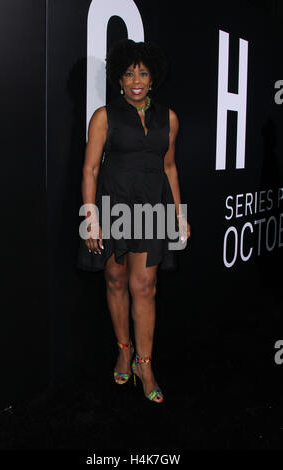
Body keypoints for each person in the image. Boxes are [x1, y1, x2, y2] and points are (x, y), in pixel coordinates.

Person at [77, 39, 191, 403]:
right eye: (129, 73)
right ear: (119, 79)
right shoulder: (104, 116)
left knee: (146, 286)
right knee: (115, 280)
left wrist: (180, 215)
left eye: (142, 72)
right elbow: (90, 169)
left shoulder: (169, 118)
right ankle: (123, 349)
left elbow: (170, 167)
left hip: (152, 211)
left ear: (153, 77)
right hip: (114, 209)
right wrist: (90, 218)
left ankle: (145, 364)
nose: (136, 80)